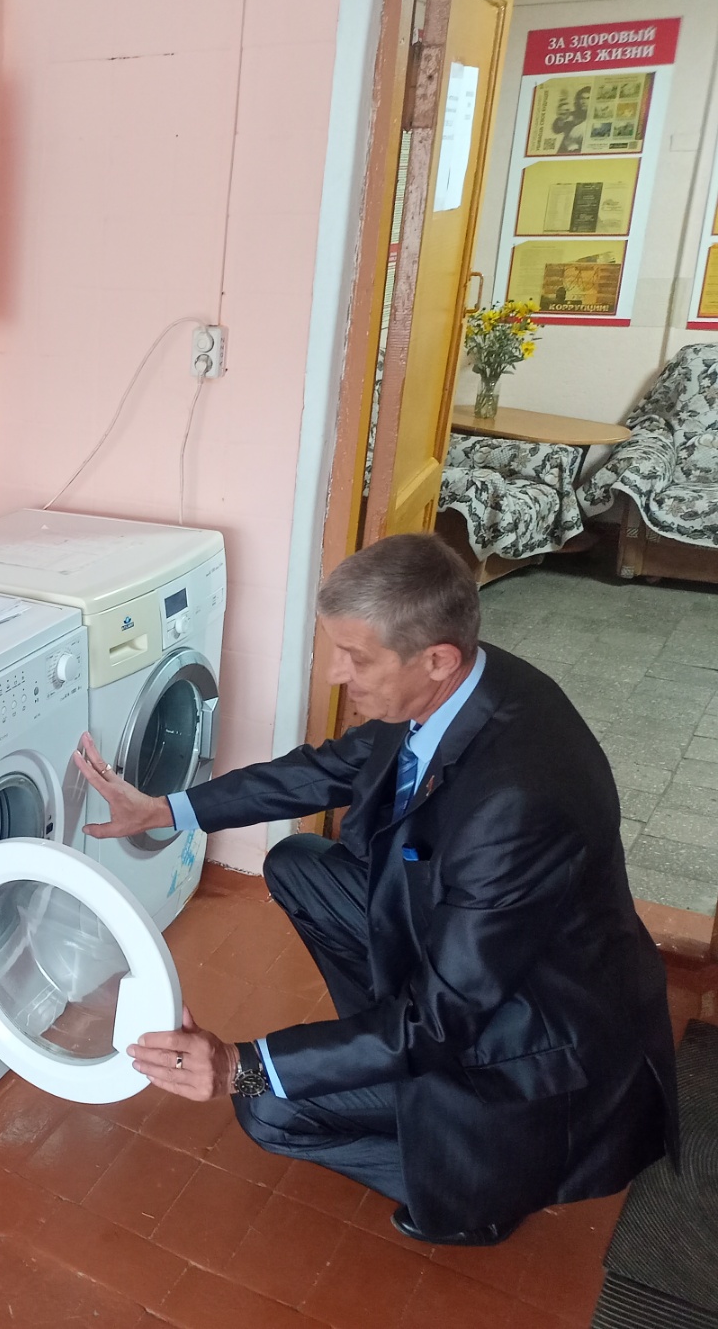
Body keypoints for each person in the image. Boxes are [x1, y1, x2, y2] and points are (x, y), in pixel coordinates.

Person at [74, 533, 677, 1246]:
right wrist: (167, 809)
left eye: (355, 658)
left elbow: (443, 1020)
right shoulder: (465, 686)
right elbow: (328, 768)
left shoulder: (515, 805)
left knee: (268, 1107)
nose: (336, 675)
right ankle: (382, 1060)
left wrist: (242, 1066)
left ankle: (474, 1190)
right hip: (478, 964)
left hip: (532, 1039)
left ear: (436, 659)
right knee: (300, 865)